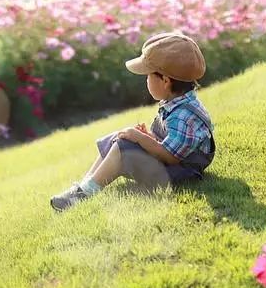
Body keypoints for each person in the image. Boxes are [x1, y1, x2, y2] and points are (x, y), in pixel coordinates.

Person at [50, 32, 215, 212]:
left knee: (123, 147)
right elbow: (173, 143)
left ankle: (84, 194)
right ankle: (83, 187)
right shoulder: (178, 102)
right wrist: (148, 137)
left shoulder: (183, 115)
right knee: (119, 138)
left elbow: (171, 156)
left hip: (180, 173)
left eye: (148, 75)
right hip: (174, 164)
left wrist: (141, 139)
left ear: (166, 81)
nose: (146, 80)